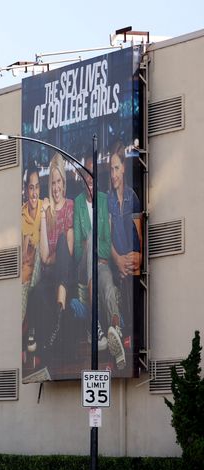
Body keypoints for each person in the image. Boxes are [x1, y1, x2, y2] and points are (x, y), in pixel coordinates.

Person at [72, 153, 125, 369]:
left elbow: (107, 241)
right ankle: (95, 325)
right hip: (83, 269)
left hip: (102, 265)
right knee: (92, 239)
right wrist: (92, 245)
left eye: (93, 175)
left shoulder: (104, 201)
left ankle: (115, 331)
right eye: (86, 175)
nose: (89, 180)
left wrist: (93, 246)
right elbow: (77, 248)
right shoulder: (77, 203)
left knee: (109, 288)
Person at [34, 153, 74, 357]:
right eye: (53, 182)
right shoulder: (47, 211)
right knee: (38, 291)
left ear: (64, 183)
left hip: (66, 276)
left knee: (60, 241)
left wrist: (52, 257)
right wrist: (42, 214)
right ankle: (46, 347)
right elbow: (43, 256)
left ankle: (61, 307)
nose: (56, 187)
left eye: (59, 181)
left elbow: (68, 248)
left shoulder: (70, 206)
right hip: (49, 277)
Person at [108, 140, 142, 351]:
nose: (113, 174)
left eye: (117, 168)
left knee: (131, 280)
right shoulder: (108, 200)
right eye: (111, 169)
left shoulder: (133, 198)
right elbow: (106, 237)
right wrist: (118, 260)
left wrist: (136, 257)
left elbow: (139, 235)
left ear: (124, 168)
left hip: (132, 262)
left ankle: (129, 337)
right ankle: (123, 334)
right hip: (116, 260)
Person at [21, 165, 42, 355]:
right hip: (26, 273)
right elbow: (23, 257)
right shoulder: (21, 215)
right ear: (26, 189)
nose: (34, 192)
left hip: (42, 264)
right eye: (31, 187)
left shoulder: (46, 207)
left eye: (37, 187)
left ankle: (31, 329)